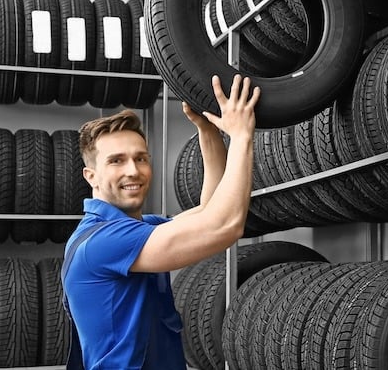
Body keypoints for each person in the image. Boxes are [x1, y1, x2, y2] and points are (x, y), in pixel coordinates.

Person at [63, 74, 260, 370]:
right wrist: (242, 136)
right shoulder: (103, 242)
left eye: (141, 158)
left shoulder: (136, 229)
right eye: (116, 161)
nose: (133, 170)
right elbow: (225, 226)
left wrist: (207, 131)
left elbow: (209, 210)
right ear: (91, 176)